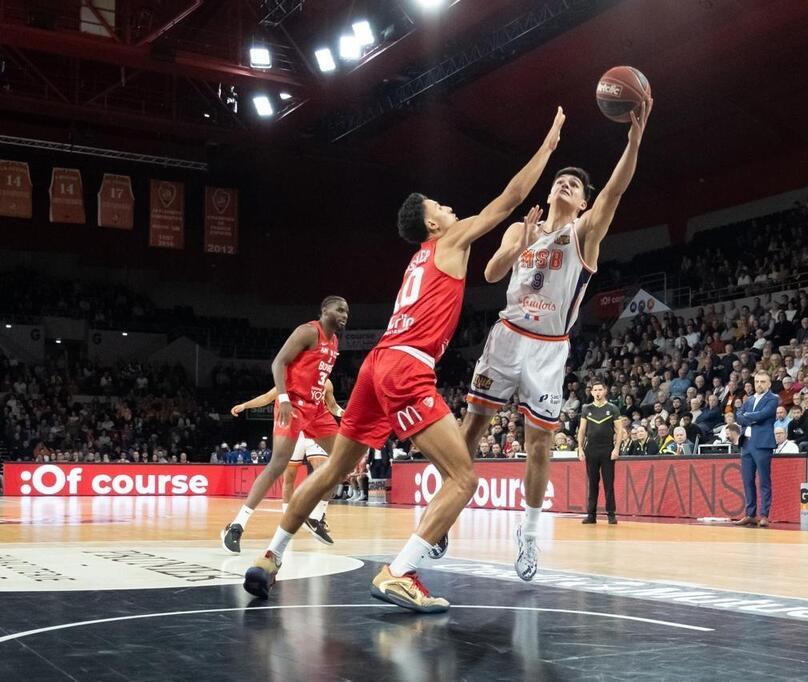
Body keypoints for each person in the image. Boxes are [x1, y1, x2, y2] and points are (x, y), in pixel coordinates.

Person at [243, 107, 567, 611]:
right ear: (430, 221)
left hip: (375, 364)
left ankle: (268, 557)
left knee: (330, 472)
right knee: (464, 478)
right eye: (440, 203)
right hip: (406, 366)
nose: (449, 206)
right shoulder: (448, 240)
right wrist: (547, 147)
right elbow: (509, 199)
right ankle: (400, 571)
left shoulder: (416, 260)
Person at [460, 97, 652, 581]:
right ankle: (445, 513)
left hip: (549, 348)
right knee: (471, 431)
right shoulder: (518, 229)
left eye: (575, 184)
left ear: (582, 202)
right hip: (506, 337)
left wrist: (633, 139)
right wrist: (520, 243)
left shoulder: (585, 233)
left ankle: (527, 536)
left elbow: (614, 191)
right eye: (560, 180)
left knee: (540, 446)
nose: (566, 184)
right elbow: (489, 272)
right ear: (551, 192)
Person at [220, 297, 348, 554]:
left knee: (343, 462)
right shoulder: (308, 331)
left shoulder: (334, 342)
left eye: (347, 311)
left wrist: (344, 414)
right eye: (340, 309)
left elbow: (329, 398)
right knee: (278, 464)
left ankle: (316, 517)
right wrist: (283, 398)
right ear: (325, 310)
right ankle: (236, 526)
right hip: (293, 404)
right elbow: (278, 362)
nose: (345, 314)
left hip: (317, 408)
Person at [229, 381, 345, 540]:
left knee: (331, 468)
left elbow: (332, 406)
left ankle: (318, 517)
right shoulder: (296, 376)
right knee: (288, 475)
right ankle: (286, 515)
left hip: (317, 424)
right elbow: (268, 397)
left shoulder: (327, 383)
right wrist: (244, 406)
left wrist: (342, 412)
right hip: (296, 428)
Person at [735, 371, 779, 528]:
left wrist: (747, 416)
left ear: (769, 384)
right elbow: (738, 416)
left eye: (762, 381)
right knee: (747, 480)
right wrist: (749, 417)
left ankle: (764, 515)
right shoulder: (749, 399)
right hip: (746, 443)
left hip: (762, 444)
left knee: (764, 480)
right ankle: (750, 514)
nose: (759, 384)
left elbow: (763, 415)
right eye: (757, 381)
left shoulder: (773, 399)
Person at [577, 381, 625, 525]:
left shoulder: (613, 408)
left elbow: (619, 431)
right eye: (595, 390)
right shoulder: (586, 409)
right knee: (592, 483)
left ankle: (611, 514)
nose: (597, 392)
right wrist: (580, 448)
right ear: (591, 392)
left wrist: (616, 449)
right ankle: (591, 515)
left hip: (607, 449)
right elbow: (582, 431)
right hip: (591, 449)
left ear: (605, 391)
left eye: (600, 389)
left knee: (608, 483)